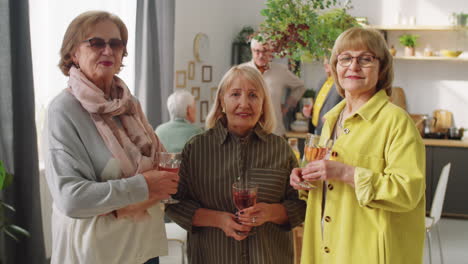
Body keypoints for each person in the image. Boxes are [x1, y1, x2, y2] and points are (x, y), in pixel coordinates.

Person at [44, 11, 179, 264]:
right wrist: (144, 186)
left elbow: (163, 170)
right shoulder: (63, 110)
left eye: (115, 44)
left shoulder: (130, 105)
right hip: (99, 253)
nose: (108, 50)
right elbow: (71, 199)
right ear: (73, 53)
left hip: (144, 247)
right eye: (96, 43)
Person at [290, 27, 426, 264]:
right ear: (335, 67)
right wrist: (306, 179)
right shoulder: (331, 119)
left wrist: (343, 172)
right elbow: (327, 186)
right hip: (327, 248)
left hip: (368, 253)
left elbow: (407, 192)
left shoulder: (396, 121)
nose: (353, 66)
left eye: (365, 59)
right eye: (345, 58)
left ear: (381, 68)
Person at [166, 65, 306, 264]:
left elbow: (300, 205)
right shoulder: (196, 149)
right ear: (222, 100)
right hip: (213, 256)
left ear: (263, 103)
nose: (244, 103)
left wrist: (270, 212)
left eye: (253, 95)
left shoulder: (280, 149)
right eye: (235, 94)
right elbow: (174, 203)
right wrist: (218, 220)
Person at [243, 38, 305, 136]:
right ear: (252, 50)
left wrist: (287, 106)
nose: (261, 55)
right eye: (257, 51)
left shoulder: (280, 70)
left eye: (264, 51)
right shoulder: (242, 71)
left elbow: (300, 86)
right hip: (248, 133)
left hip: (275, 132)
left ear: (271, 51)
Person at [302, 58, 342, 135]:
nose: (325, 66)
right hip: (316, 130)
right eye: (325, 64)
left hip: (332, 132)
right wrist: (310, 112)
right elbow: (319, 106)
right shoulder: (322, 81)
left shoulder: (342, 85)